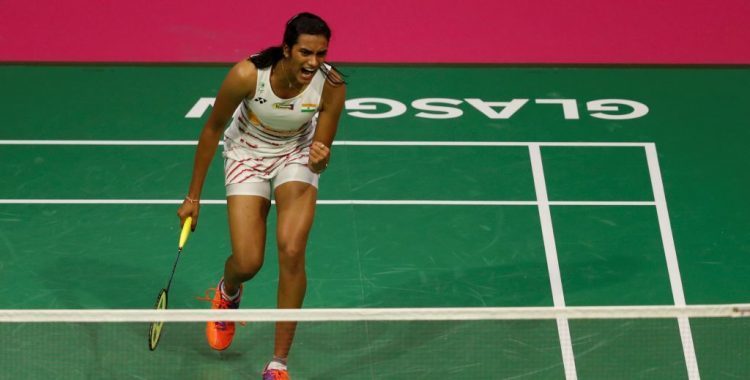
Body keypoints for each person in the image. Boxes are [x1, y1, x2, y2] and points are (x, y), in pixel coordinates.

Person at [176, 12, 346, 380]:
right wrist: (193, 197)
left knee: (291, 248)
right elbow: (211, 130)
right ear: (287, 49)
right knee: (249, 261)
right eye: (305, 52)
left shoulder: (331, 84)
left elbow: (320, 154)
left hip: (296, 152)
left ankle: (278, 363)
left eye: (321, 53)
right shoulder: (247, 75)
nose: (313, 62)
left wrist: (321, 158)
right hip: (246, 153)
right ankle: (229, 289)